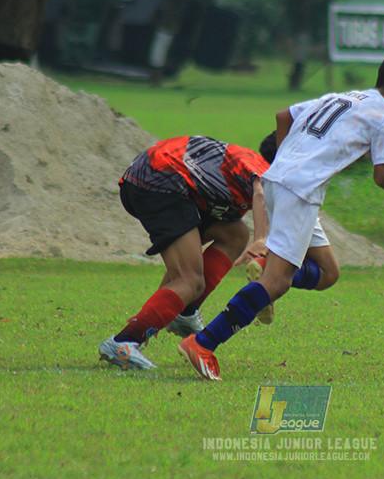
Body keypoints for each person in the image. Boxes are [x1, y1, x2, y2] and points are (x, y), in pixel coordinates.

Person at [178, 49, 384, 381]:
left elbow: (283, 117)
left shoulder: (345, 97)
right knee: (277, 282)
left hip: (278, 181)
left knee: (328, 272)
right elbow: (382, 176)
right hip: (299, 191)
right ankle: (204, 343)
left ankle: (265, 268)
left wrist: (287, 160)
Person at [98, 135, 273, 370]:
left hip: (161, 180)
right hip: (161, 181)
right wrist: (261, 239)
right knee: (189, 280)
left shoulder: (247, 169)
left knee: (235, 234)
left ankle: (184, 312)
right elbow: (261, 193)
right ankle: (124, 341)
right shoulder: (266, 170)